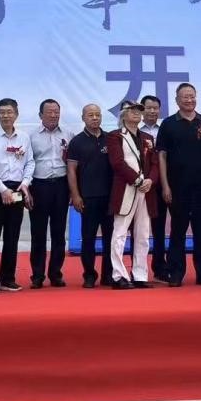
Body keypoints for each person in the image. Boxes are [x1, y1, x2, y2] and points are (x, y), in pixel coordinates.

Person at [157, 83, 201, 286]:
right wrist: (165, 185)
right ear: (177, 100)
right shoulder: (168, 124)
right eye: (185, 97)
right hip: (177, 187)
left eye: (192, 96)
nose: (189, 100)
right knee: (178, 230)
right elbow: (162, 156)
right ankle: (176, 273)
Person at [0, 97, 32, 293]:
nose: (6, 115)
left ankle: (8, 278)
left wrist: (24, 184)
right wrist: (3, 189)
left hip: (17, 190)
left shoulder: (24, 137)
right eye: (2, 112)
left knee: (12, 236)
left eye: (9, 112)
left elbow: (30, 162)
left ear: (16, 114)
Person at [107, 100, 160, 288]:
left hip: (146, 191)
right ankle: (118, 275)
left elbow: (155, 163)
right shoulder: (115, 136)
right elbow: (117, 163)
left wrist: (150, 180)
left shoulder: (147, 137)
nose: (137, 113)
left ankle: (140, 274)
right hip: (126, 189)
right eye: (132, 110)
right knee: (120, 233)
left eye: (139, 110)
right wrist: (137, 180)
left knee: (143, 234)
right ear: (123, 115)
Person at [67, 103, 113, 288]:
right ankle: (89, 275)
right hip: (88, 197)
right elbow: (71, 170)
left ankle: (108, 275)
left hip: (109, 198)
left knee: (110, 238)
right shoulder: (77, 142)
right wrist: (75, 195)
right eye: (90, 115)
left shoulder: (110, 139)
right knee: (88, 238)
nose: (95, 118)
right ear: (83, 118)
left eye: (97, 115)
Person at [28, 99, 71, 288]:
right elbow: (26, 163)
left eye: (56, 112)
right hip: (39, 186)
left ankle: (55, 273)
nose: (53, 115)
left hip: (61, 185)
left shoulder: (69, 134)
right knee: (38, 232)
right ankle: (37, 275)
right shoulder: (31, 137)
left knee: (59, 232)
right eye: (49, 112)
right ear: (40, 115)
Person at [140, 94, 168, 282]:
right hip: (141, 184)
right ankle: (137, 269)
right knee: (138, 229)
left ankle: (160, 267)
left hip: (161, 184)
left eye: (155, 108)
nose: (152, 111)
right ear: (142, 110)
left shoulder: (165, 129)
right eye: (148, 108)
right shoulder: (135, 131)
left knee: (159, 228)